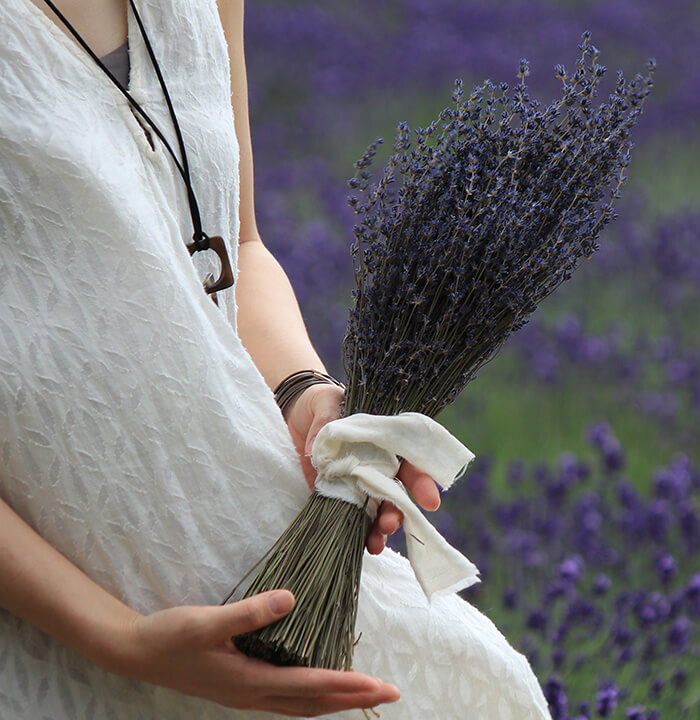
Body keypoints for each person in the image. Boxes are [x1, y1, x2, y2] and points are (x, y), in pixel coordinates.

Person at [0, 0, 553, 717]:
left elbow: (234, 246)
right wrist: (121, 639)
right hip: (59, 626)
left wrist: (306, 394)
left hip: (264, 566)